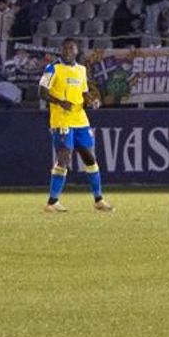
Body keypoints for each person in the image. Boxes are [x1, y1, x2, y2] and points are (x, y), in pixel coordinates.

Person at [38, 38, 113, 213]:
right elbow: (42, 92)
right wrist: (59, 101)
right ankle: (52, 201)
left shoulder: (81, 70)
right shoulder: (52, 68)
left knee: (90, 158)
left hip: (80, 119)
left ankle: (98, 199)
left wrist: (92, 100)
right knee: (64, 157)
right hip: (61, 119)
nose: (68, 52)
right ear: (61, 50)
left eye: (71, 49)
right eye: (65, 49)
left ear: (77, 51)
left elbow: (84, 92)